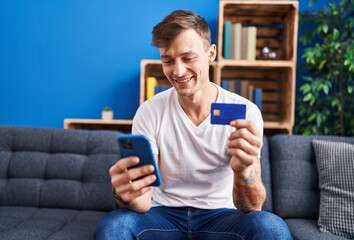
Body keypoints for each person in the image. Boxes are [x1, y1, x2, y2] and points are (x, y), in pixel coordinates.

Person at [95, 10, 292, 240]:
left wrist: (243, 171)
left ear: (211, 54)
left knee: (271, 227)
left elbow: (251, 207)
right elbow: (142, 202)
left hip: (222, 217)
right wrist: (126, 196)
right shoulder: (149, 112)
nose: (177, 71)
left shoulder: (246, 112)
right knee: (114, 225)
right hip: (162, 217)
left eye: (188, 58)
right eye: (168, 61)